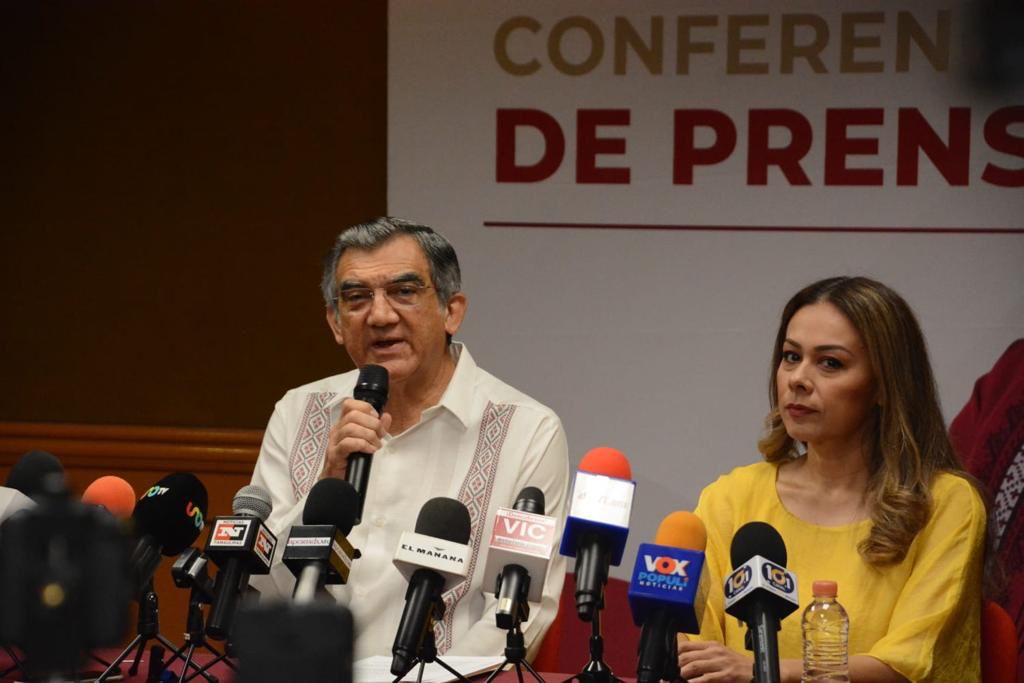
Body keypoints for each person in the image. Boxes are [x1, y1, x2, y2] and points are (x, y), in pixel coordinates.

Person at [248, 217, 569, 660]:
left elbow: (517, 613)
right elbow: (260, 584)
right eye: (357, 298)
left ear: (451, 311)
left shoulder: (527, 430)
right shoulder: (298, 413)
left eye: (404, 292)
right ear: (335, 322)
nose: (380, 316)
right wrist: (325, 487)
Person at [679, 276, 987, 683]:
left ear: (884, 386)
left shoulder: (944, 504)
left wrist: (763, 671)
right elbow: (695, 651)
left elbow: (910, 664)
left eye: (830, 363)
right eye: (791, 357)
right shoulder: (731, 498)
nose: (798, 379)